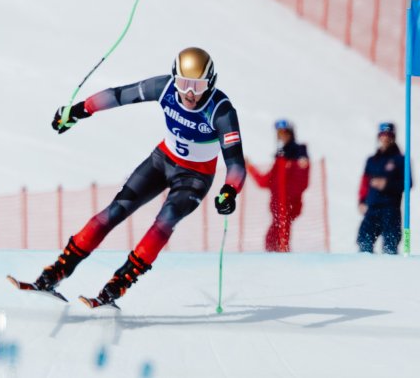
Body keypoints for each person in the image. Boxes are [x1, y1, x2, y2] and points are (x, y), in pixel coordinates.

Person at [31, 47, 246, 308]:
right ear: (173, 78)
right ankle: (58, 271)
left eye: (198, 86)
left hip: (195, 176)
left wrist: (229, 191)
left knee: (164, 222)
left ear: (210, 83)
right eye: (183, 83)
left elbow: (235, 165)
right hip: (162, 160)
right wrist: (78, 111)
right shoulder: (165, 88)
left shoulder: (221, 111)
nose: (189, 93)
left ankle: (119, 283)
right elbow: (119, 95)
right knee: (116, 210)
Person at [246, 119, 310, 252]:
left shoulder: (298, 152)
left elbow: (302, 182)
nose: (281, 135)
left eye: (284, 132)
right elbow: (265, 181)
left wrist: (286, 201)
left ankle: (283, 264)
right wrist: (250, 167)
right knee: (271, 239)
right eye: (278, 133)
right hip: (278, 208)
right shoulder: (280, 158)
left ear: (290, 133)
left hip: (287, 206)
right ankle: (277, 264)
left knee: (281, 238)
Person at [356, 122, 410, 254]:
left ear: (393, 137)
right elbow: (364, 183)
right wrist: (362, 201)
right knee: (364, 242)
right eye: (382, 135)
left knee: (390, 246)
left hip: (390, 209)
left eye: (388, 135)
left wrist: (387, 184)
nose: (385, 138)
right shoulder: (372, 160)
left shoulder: (400, 160)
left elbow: (408, 184)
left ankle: (390, 272)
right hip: (372, 208)